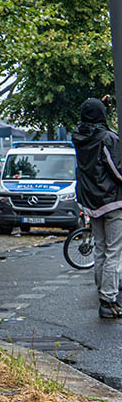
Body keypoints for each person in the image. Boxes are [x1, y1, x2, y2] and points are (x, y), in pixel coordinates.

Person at [72, 97, 122, 319]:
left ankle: (103, 293)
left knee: (101, 249)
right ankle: (108, 299)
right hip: (113, 201)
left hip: (92, 201)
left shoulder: (80, 139)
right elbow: (117, 170)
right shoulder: (107, 138)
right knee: (114, 251)